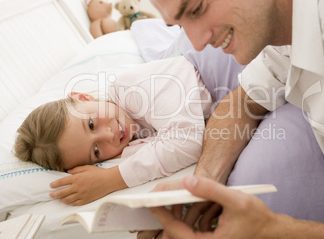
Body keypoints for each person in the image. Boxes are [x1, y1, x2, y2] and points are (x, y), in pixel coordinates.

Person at [130, 0, 324, 237]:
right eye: (179, 26)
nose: (197, 44)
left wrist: (274, 231)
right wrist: (201, 186)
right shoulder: (287, 20)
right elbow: (241, 101)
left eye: (197, 9)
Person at [14, 56, 213, 206]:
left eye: (91, 124)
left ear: (83, 98)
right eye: (96, 151)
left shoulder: (132, 88)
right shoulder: (129, 144)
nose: (108, 135)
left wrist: (110, 179)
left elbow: (188, 141)